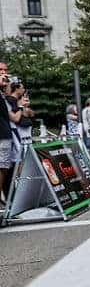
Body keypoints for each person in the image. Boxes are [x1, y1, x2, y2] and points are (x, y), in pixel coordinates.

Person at [0, 64, 26, 202]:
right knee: (2, 168)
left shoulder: (4, 96)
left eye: (5, 70)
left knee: (6, 169)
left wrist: (5, 88)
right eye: (0, 70)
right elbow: (16, 118)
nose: (4, 73)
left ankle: (10, 202)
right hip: (3, 135)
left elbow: (10, 114)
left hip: (5, 135)